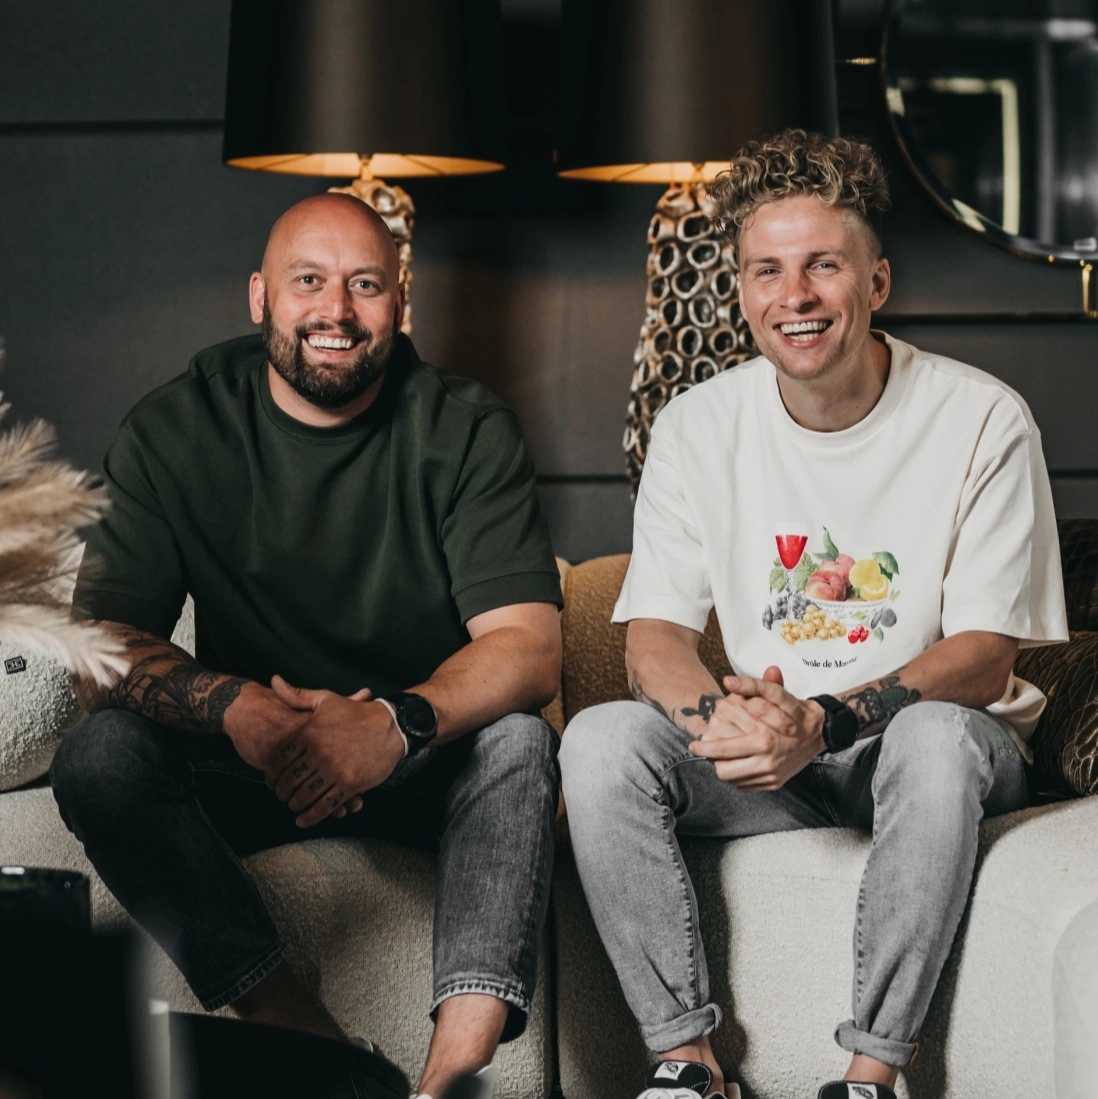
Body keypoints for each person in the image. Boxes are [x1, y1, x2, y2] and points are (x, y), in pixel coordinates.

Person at [558, 130, 1068, 1099]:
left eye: (822, 266)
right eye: (767, 270)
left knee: (935, 740)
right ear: (742, 289)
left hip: (920, 755)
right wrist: (727, 723)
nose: (793, 297)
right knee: (599, 741)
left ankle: (872, 1073)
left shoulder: (981, 416)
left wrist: (823, 722)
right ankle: (685, 1063)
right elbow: (655, 637)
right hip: (768, 760)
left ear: (876, 281)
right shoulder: (697, 427)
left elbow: (985, 652)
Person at [51, 193, 564, 1099]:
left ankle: (450, 1080)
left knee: (521, 740)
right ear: (259, 297)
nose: (336, 309)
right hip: (247, 762)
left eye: (365, 284)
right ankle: (313, 1047)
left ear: (398, 303)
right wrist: (238, 707)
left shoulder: (464, 426)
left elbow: (528, 648)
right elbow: (101, 650)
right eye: (309, 282)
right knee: (98, 756)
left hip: (415, 760)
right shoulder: (176, 427)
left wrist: (394, 726)